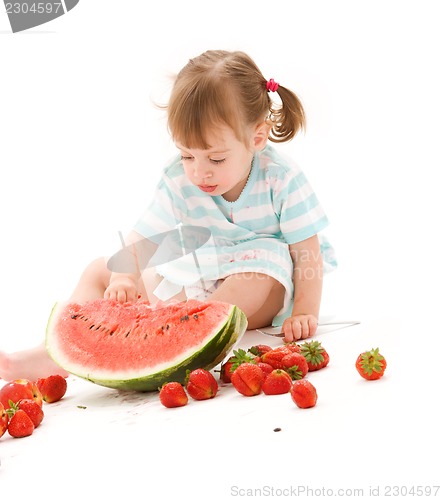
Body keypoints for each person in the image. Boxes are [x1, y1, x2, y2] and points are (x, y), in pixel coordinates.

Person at [0, 49, 336, 382]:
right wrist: (124, 278)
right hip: (199, 279)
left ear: (257, 137)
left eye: (215, 159)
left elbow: (308, 251)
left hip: (258, 291)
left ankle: (194, 343)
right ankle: (53, 354)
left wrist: (305, 311)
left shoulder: (281, 178)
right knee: (102, 268)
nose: (198, 172)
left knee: (262, 266)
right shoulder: (179, 178)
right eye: (187, 155)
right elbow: (146, 235)